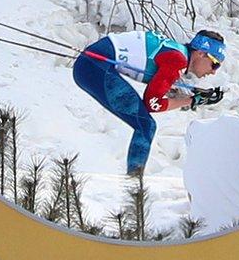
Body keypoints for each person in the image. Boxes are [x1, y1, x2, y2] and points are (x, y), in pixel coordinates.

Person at [74, 28, 227, 177]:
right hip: (94, 66)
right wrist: (191, 100)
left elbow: (160, 92)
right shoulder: (177, 60)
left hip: (92, 64)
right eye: (215, 64)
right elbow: (153, 104)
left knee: (144, 124)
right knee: (145, 125)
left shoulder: (178, 54)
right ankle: (135, 185)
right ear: (201, 53)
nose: (214, 71)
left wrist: (191, 99)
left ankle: (134, 181)